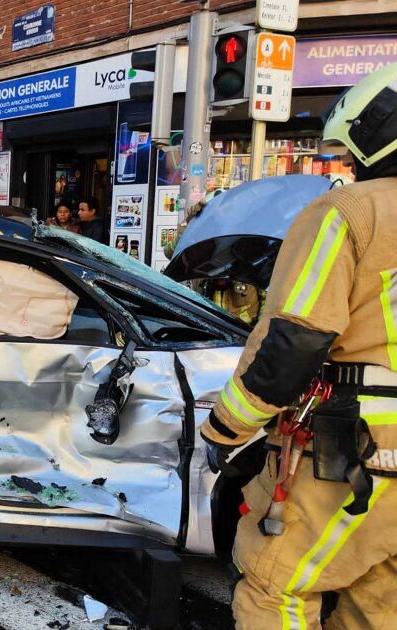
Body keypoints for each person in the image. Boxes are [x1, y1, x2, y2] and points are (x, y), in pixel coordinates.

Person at [200, 63, 397, 628]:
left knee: (275, 585)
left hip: (358, 449)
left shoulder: (350, 212)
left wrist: (226, 428)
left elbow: (294, 342)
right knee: (378, 600)